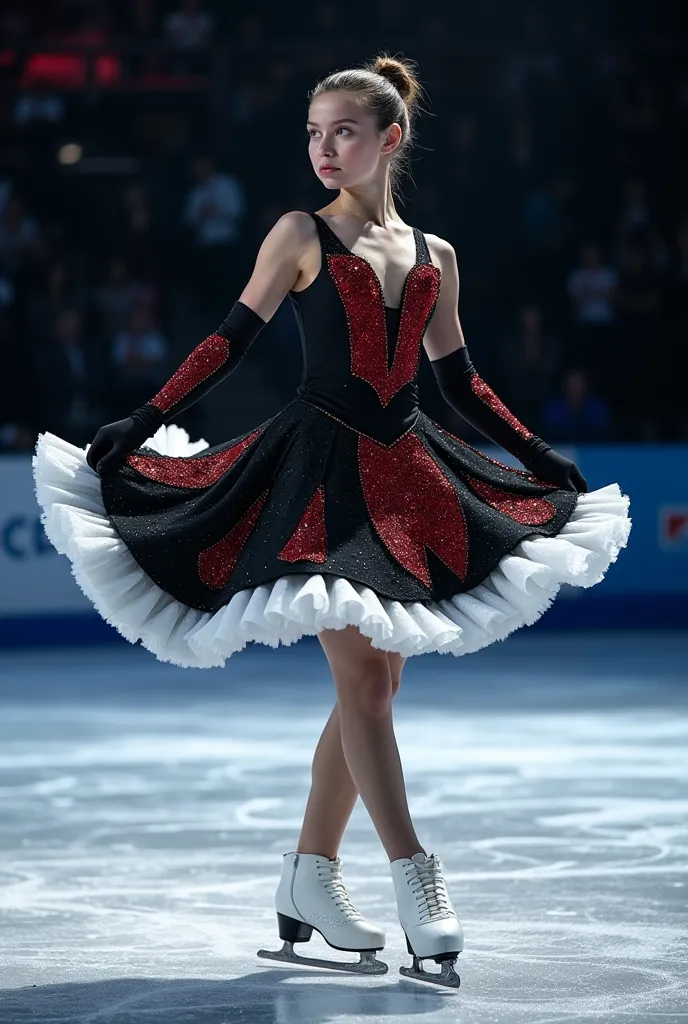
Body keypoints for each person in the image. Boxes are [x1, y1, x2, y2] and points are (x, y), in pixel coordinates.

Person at [33, 54, 631, 988]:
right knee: (369, 684)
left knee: (376, 685)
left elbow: (458, 381)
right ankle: (415, 878)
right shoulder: (300, 232)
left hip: (406, 477)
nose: (324, 147)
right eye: (313, 132)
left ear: (390, 139)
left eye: (343, 131)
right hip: (317, 475)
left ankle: (310, 875)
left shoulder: (437, 256)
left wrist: (535, 454)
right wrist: (145, 420)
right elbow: (230, 340)